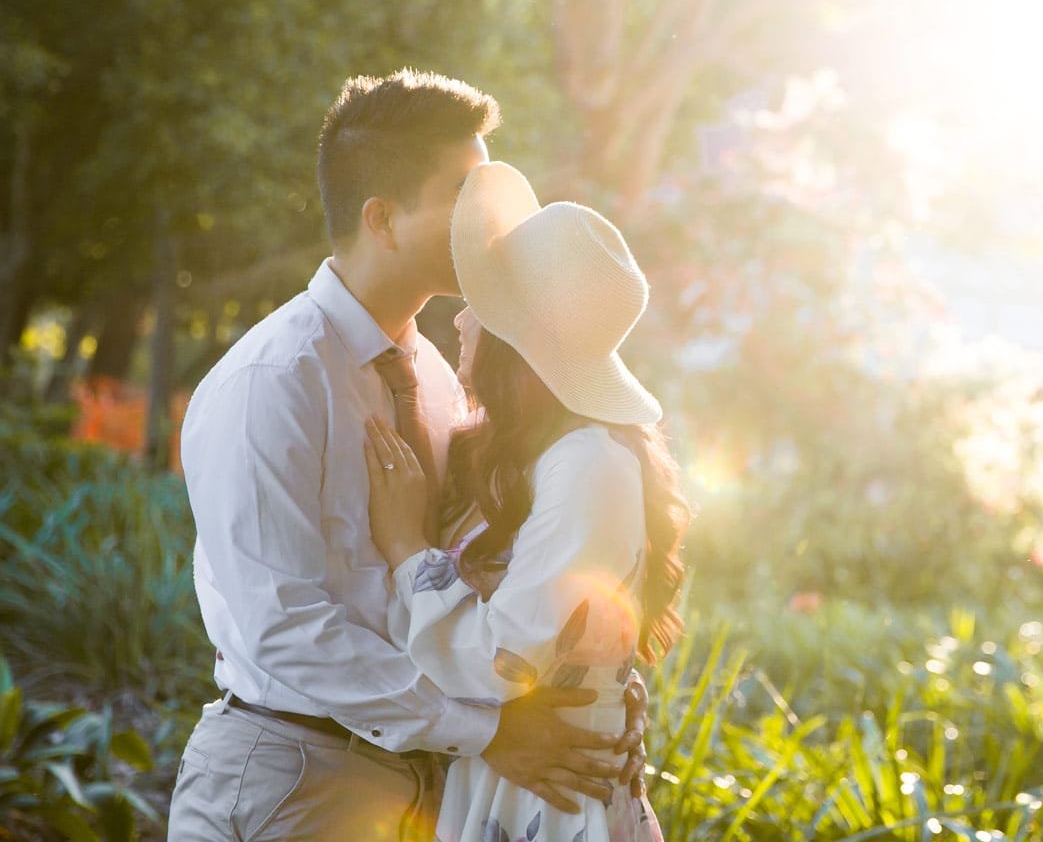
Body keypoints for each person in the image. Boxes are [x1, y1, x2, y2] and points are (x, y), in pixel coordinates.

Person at [169, 71, 645, 842]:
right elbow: (283, 626)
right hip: (292, 773)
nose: (489, 224)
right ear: (382, 218)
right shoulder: (273, 381)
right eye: (463, 194)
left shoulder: (437, 378)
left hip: (418, 787)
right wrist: (486, 732)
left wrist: (591, 690)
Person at [363, 159, 687, 842]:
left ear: (518, 343)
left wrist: (405, 551)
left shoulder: (588, 463)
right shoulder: (545, 455)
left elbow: (503, 658)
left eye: (485, 305)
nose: (461, 321)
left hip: (551, 789)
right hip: (526, 776)